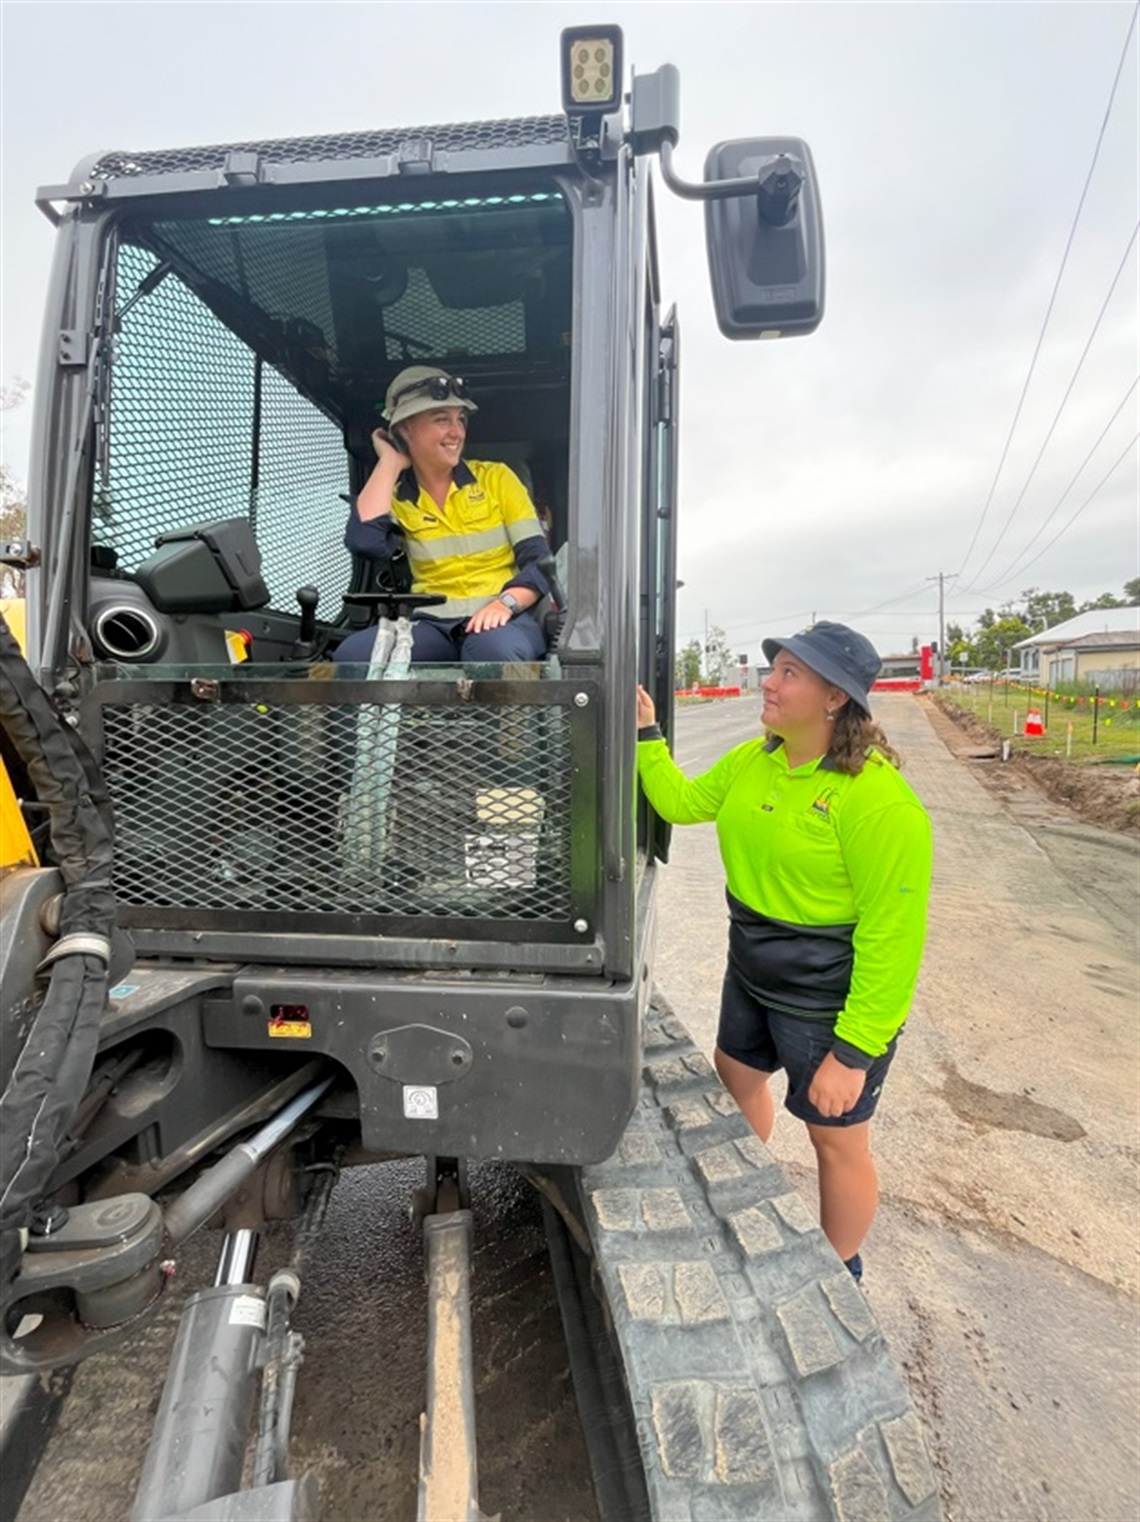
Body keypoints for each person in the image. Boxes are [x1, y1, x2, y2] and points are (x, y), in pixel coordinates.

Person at [636, 621, 932, 1283]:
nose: (767, 681)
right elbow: (682, 803)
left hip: (827, 995)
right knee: (737, 1083)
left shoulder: (878, 802)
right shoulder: (756, 761)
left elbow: (894, 938)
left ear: (835, 699)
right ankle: (746, 1193)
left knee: (836, 1141)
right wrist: (646, 736)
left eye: (790, 673)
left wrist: (852, 1054)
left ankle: (839, 1271)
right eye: (775, 668)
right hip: (753, 970)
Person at [336, 365, 550, 663]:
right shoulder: (396, 498)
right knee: (354, 656)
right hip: (430, 625)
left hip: (504, 618)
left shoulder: (497, 478)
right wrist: (389, 462)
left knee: (490, 652)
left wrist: (505, 604)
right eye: (441, 420)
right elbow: (364, 542)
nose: (457, 432)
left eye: (460, 420)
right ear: (405, 428)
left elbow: (539, 564)